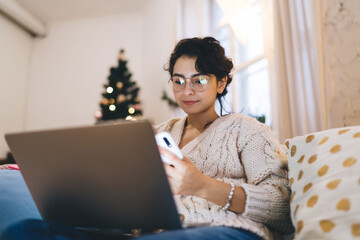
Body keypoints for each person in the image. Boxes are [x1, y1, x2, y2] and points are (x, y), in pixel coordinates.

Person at [1, 37, 294, 240]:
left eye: (199, 80)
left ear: (222, 82)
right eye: (178, 81)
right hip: (148, 233)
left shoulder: (248, 130)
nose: (186, 91)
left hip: (226, 231)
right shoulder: (158, 133)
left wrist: (203, 186)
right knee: (24, 230)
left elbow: (282, 208)